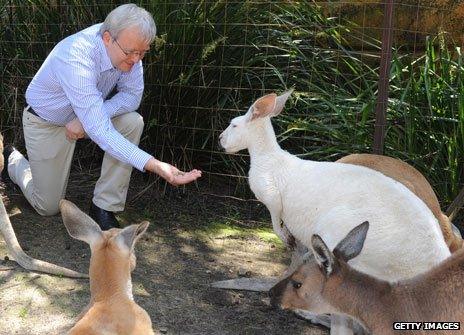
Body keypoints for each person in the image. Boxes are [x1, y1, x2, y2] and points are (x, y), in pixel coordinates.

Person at [2, 4, 202, 230]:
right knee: (46, 207)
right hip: (46, 122)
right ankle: (13, 161)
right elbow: (100, 130)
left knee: (132, 121)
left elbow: (131, 97)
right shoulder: (76, 55)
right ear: (107, 38)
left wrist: (91, 117)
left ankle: (104, 207)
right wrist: (156, 165)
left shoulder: (129, 47)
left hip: (85, 120)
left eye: (142, 52)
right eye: (130, 53)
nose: (136, 59)